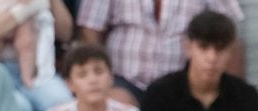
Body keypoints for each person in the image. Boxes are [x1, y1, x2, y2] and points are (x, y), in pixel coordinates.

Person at [76, 0, 241, 104]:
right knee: (116, 105)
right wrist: (103, 81)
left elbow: (229, 32)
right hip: (123, 81)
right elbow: (90, 29)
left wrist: (230, 89)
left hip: (182, 84)